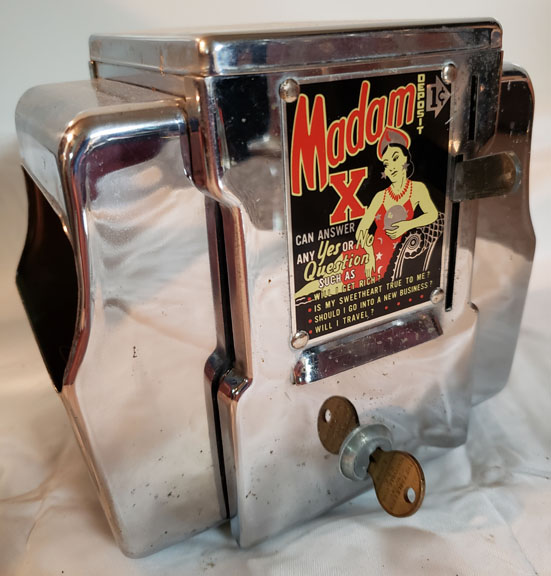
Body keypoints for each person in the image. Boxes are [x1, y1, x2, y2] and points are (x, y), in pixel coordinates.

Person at [351, 126, 438, 281]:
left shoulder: (417, 189)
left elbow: (432, 214)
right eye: (386, 164)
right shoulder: (380, 196)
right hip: (374, 254)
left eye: (395, 158)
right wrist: (369, 254)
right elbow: (361, 231)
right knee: (322, 285)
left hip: (398, 257)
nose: (391, 168)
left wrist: (407, 225)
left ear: (406, 158)